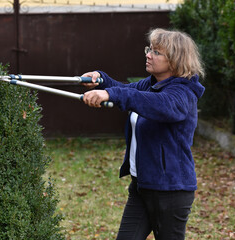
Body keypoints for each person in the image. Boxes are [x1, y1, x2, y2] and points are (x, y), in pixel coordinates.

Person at [81, 28, 205, 240]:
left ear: (175, 60)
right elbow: (127, 91)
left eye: (156, 52)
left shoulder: (183, 93)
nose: (148, 54)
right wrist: (102, 80)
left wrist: (111, 93)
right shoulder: (151, 85)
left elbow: (157, 105)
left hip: (171, 191)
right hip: (141, 186)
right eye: (149, 49)